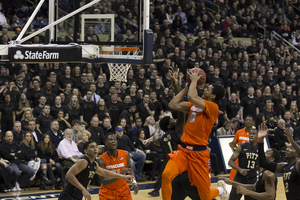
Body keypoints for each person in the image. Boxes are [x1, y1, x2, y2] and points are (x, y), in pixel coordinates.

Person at [162, 68, 228, 200]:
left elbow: (193, 96)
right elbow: (173, 104)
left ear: (213, 96)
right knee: (166, 175)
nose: (205, 88)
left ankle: (221, 190)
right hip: (184, 151)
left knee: (205, 196)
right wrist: (187, 87)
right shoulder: (194, 105)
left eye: (208, 88)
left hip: (199, 155)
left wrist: (193, 81)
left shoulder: (213, 108)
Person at [58, 140, 134, 200]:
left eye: (96, 147)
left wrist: (122, 176)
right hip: (68, 195)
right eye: (92, 147)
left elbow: (104, 172)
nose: (95, 149)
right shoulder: (83, 161)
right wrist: (83, 189)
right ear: (85, 151)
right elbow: (69, 175)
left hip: (77, 195)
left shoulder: (94, 164)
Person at [220, 133, 280, 200]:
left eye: (267, 153)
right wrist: (232, 182)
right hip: (240, 178)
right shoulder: (263, 172)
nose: (262, 154)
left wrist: (247, 192)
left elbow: (270, 196)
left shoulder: (269, 174)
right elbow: (252, 187)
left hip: (252, 178)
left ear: (272, 159)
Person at [258, 124, 300, 200]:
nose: (287, 149)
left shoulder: (298, 165)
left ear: (297, 153)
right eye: (288, 147)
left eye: (291, 148)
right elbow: (263, 163)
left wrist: (292, 141)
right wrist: (261, 140)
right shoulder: (284, 167)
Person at [97, 133, 139, 199]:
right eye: (110, 140)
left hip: (123, 189)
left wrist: (134, 182)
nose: (113, 141)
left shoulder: (125, 154)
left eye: (115, 139)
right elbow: (104, 182)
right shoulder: (101, 159)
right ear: (106, 143)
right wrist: (121, 175)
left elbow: (130, 168)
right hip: (107, 192)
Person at [228, 129, 259, 200]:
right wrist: (240, 169)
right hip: (240, 179)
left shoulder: (259, 149)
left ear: (257, 136)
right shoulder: (241, 147)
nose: (251, 135)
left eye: (254, 134)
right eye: (250, 134)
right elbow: (230, 162)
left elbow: (260, 166)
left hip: (252, 180)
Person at [229, 115, 254, 180]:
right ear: (244, 122)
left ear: (253, 122)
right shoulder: (239, 132)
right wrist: (234, 148)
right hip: (240, 157)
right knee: (233, 176)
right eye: (247, 120)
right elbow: (233, 144)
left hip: (250, 157)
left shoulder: (255, 133)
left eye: (250, 120)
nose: (248, 121)